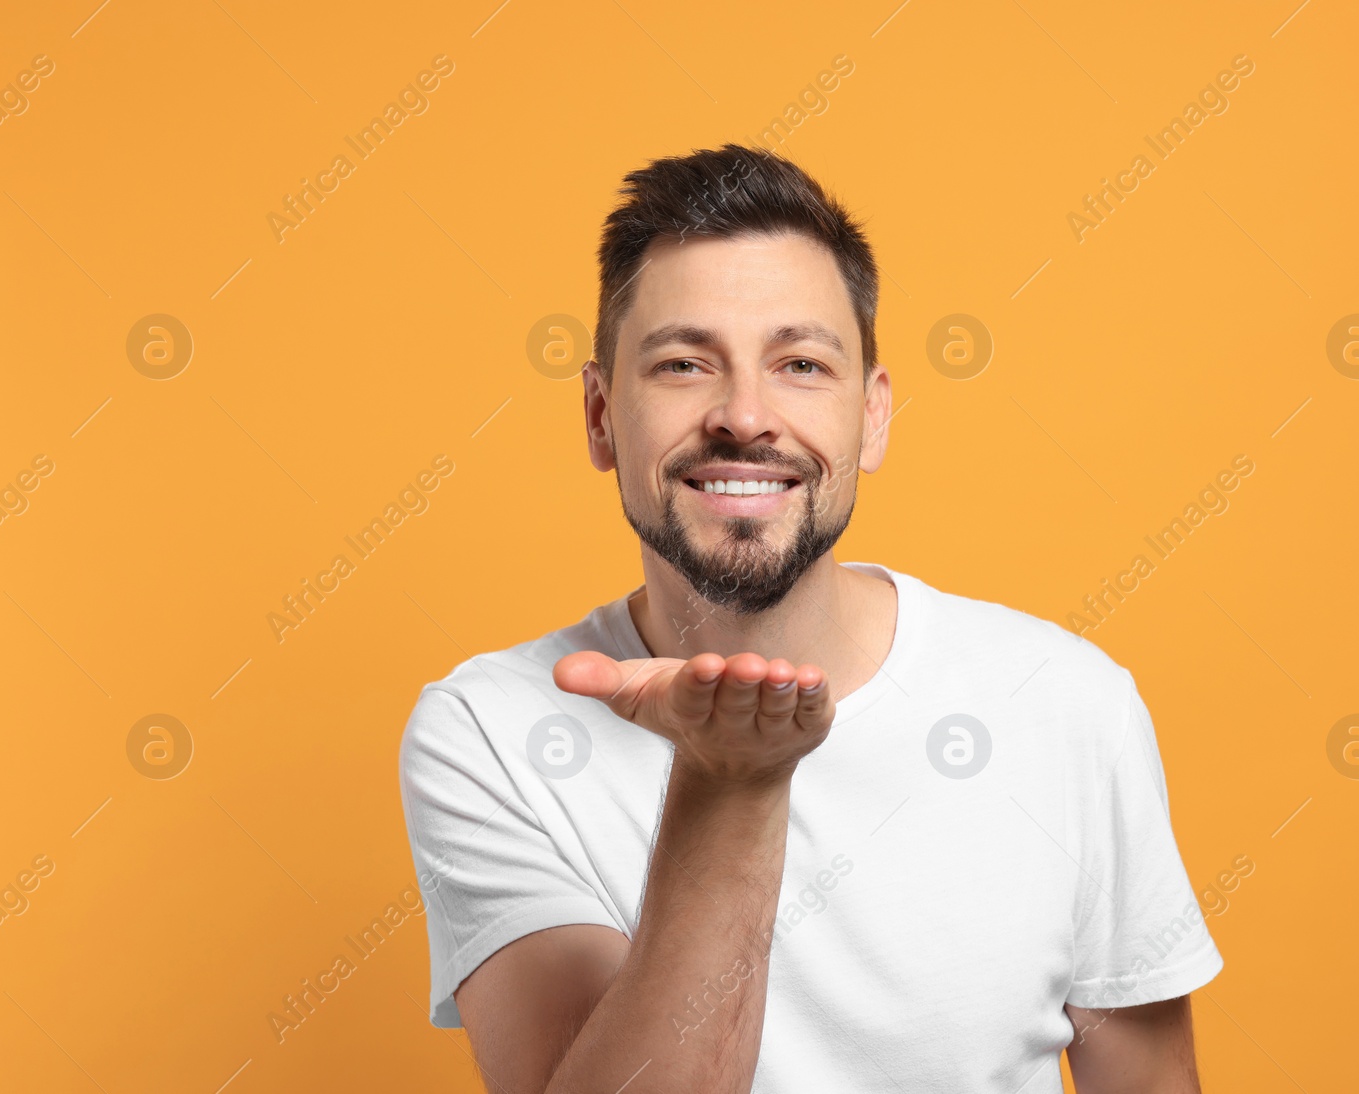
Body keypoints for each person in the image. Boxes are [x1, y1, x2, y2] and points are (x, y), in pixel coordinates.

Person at [398, 143, 1223, 1093]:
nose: (744, 416)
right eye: (681, 364)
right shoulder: (488, 731)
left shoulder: (1068, 703)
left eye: (800, 363)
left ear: (872, 418)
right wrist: (731, 786)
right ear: (598, 416)